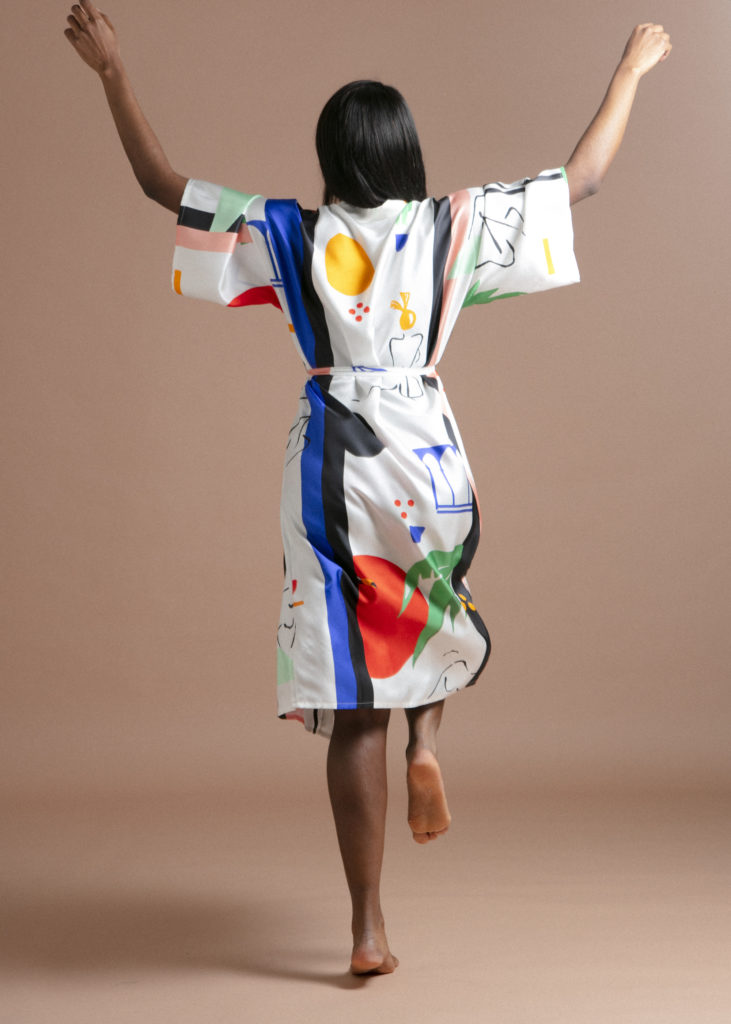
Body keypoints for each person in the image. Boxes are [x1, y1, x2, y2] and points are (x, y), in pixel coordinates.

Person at [64, 3, 671, 976]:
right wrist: (630, 71)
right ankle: (427, 741)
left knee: (354, 700)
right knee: (434, 606)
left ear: (331, 156)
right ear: (403, 152)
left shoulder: (292, 233)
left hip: (332, 462)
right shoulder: (448, 227)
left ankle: (366, 929)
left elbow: (160, 184)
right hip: (426, 452)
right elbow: (583, 177)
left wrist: (112, 73)